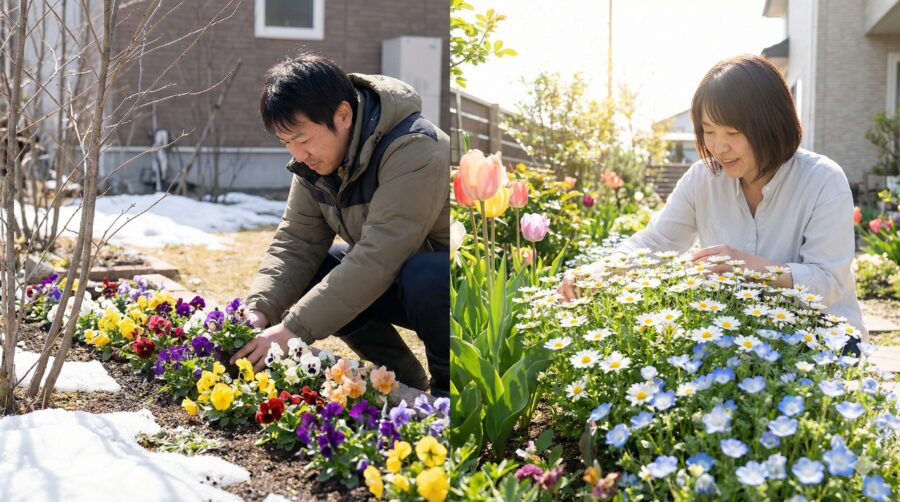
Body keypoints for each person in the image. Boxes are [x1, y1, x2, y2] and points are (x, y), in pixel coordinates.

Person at [561, 54, 866, 340]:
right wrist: (598, 271)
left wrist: (750, 267)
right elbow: (654, 243)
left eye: (733, 133)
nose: (719, 148)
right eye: (709, 131)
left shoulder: (823, 180)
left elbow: (829, 283)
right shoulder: (703, 178)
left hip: (824, 333)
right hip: (738, 333)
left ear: (773, 125)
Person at [231, 53, 451, 397]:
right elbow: (296, 242)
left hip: (445, 289)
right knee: (316, 266)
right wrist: (258, 311)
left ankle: (446, 391)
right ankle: (400, 376)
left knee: (426, 273)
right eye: (286, 143)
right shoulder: (314, 163)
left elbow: (380, 256)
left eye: (302, 140)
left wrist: (292, 330)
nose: (297, 154)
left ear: (343, 115)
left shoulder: (413, 147)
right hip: (389, 277)